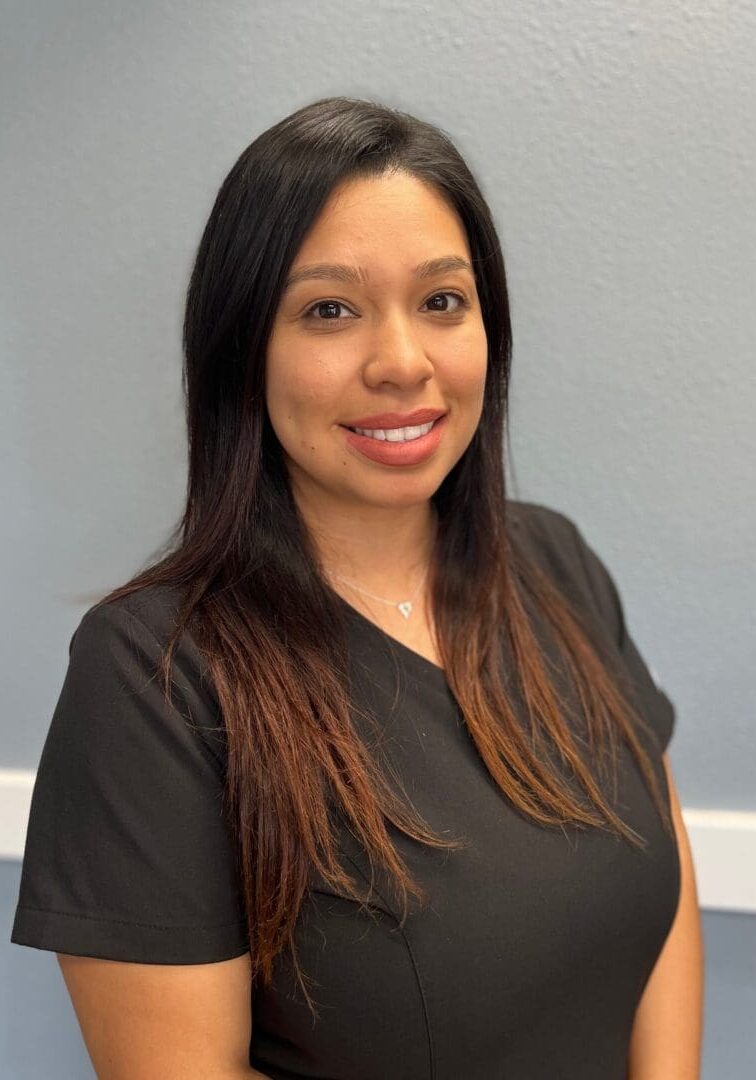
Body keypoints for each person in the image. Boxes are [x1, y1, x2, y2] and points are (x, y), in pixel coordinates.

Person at [10, 96, 703, 1079]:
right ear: (243, 350)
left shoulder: (557, 567)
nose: (401, 363)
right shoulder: (155, 674)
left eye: (441, 301)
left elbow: (666, 901)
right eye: (329, 309)